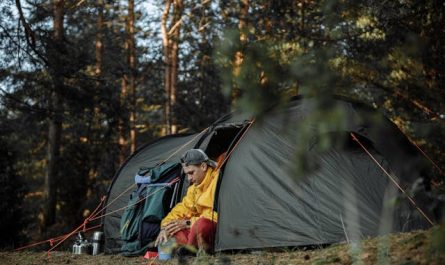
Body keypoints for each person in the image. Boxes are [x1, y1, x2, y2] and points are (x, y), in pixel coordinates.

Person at [154, 149, 219, 253]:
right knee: (172, 231)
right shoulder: (194, 189)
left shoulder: (218, 181)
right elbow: (182, 209)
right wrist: (165, 227)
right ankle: (189, 248)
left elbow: (218, 215)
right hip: (195, 229)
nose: (189, 178)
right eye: (187, 174)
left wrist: (189, 222)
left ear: (203, 166)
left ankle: (189, 249)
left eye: (191, 173)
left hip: (215, 229)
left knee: (202, 224)